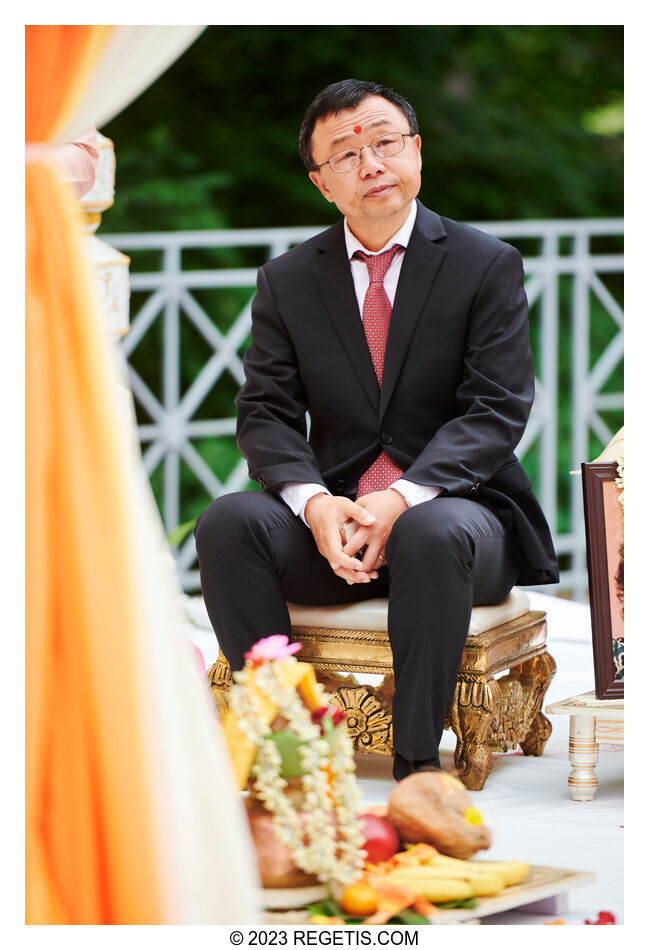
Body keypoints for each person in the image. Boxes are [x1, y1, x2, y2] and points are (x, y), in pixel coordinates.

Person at [195, 79, 559, 781]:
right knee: (229, 522)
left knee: (428, 529)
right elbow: (265, 410)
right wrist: (315, 502)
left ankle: (417, 767)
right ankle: (285, 753)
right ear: (321, 183)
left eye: (385, 142)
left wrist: (402, 498)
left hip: (457, 522)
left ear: (415, 151)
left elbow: (495, 408)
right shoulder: (288, 280)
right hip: (337, 533)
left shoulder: (484, 264)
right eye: (345, 154)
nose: (371, 164)